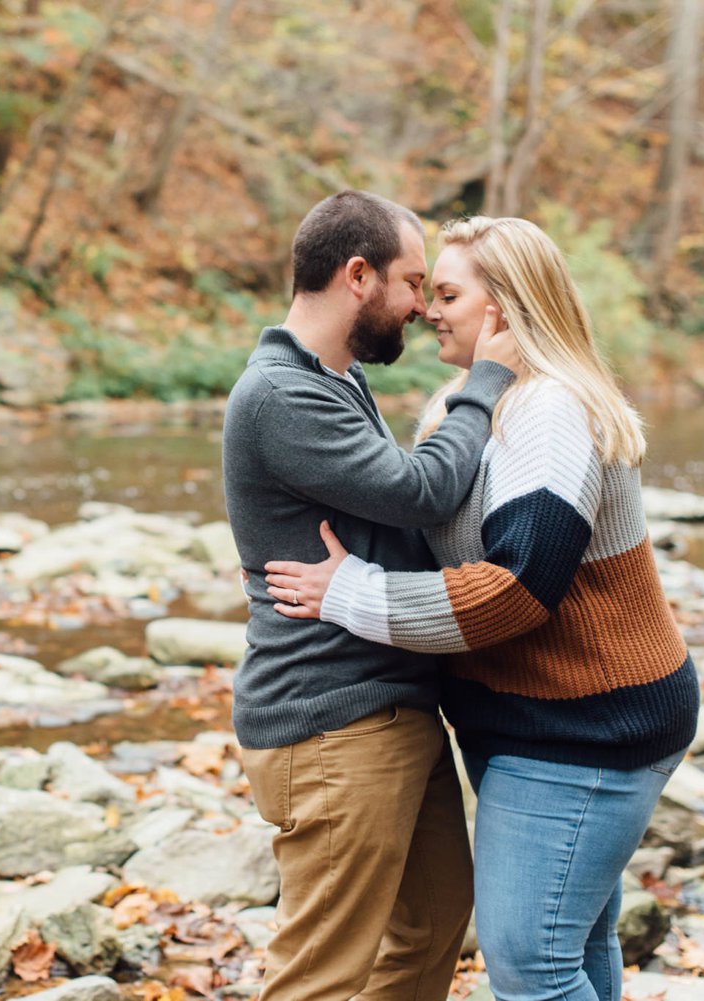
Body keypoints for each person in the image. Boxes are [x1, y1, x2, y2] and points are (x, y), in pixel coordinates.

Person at [261, 216, 700, 1001]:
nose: (429, 307)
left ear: (507, 309)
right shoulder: (472, 400)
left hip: (588, 728)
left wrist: (349, 590)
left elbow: (517, 589)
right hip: (541, 720)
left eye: (450, 293)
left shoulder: (550, 413)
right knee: (576, 941)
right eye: (428, 289)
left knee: (532, 968)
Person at [223, 190, 519, 1001]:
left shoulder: (333, 378)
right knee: (318, 975)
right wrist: (486, 382)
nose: (422, 307)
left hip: (389, 707)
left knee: (429, 926)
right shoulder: (281, 394)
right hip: (332, 721)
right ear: (358, 276)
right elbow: (422, 489)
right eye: (412, 282)